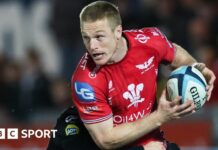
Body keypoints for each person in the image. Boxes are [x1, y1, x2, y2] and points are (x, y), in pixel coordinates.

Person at [71, 1, 216, 149]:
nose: (92, 46)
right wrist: (159, 117)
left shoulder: (149, 41)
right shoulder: (85, 81)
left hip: (155, 143)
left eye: (99, 37)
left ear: (117, 32)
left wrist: (197, 70)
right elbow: (106, 140)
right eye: (86, 37)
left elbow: (176, 55)